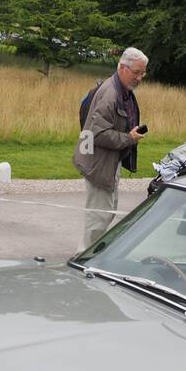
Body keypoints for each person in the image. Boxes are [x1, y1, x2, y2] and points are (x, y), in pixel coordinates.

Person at [73, 47, 147, 249]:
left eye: (143, 73)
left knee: (106, 212)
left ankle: (92, 255)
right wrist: (128, 138)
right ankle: (84, 260)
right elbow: (97, 133)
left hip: (107, 161)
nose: (140, 78)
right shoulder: (111, 94)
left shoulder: (121, 90)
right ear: (123, 67)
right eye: (137, 73)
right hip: (99, 164)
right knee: (98, 218)